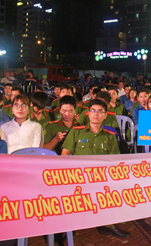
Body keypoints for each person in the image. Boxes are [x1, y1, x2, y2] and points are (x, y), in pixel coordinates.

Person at [61, 99, 129, 238]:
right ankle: (70, 227)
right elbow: (65, 154)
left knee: (112, 193)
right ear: (87, 113)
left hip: (101, 178)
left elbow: (114, 160)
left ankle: (108, 224)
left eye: (100, 111)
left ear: (105, 116)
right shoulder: (77, 131)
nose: (96, 114)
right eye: (93, 111)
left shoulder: (110, 136)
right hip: (79, 176)